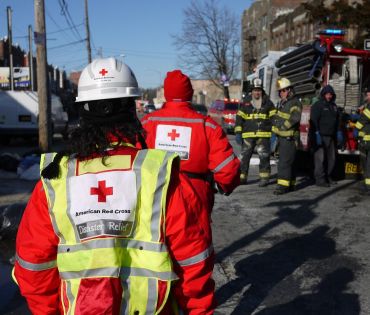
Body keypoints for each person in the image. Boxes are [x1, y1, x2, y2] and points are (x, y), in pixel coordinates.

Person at [13, 58, 215, 314]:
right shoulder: (163, 177)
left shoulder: (56, 180)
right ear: (131, 108)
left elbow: (33, 266)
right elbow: (194, 263)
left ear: (82, 113)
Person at [142, 69, 240, 212]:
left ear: (167, 93)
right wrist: (221, 186)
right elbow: (228, 170)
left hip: (155, 202)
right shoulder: (207, 126)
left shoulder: (147, 123)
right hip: (194, 203)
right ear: (189, 93)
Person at [235, 78, 276, 186]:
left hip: (264, 135)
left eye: (259, 90)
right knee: (245, 157)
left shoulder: (268, 102)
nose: (257, 92)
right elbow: (239, 118)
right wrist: (238, 132)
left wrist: (274, 133)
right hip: (248, 135)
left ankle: (264, 179)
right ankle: (242, 177)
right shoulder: (246, 103)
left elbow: (274, 119)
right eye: (255, 90)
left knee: (264, 156)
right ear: (251, 91)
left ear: (262, 91)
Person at [272, 77, 302, 195]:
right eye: (280, 91)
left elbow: (295, 118)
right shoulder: (283, 103)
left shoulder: (295, 103)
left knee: (284, 162)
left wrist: (282, 128)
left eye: (283, 91)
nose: (281, 93)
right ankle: (291, 184)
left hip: (289, 137)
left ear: (289, 90)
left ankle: (282, 187)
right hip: (282, 137)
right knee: (289, 162)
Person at [310, 85, 343, 187]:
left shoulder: (334, 106)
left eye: (331, 94)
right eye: (328, 94)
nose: (329, 96)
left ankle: (328, 177)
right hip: (321, 136)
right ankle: (320, 180)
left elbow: (338, 120)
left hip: (331, 136)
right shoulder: (318, 105)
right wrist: (316, 133)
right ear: (324, 94)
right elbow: (313, 120)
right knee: (320, 159)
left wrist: (338, 132)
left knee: (331, 158)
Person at [355, 84, 370, 194]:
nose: (366, 96)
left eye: (368, 94)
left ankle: (368, 186)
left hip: (366, 140)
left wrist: (356, 128)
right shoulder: (367, 105)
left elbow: (363, 119)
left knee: (366, 163)